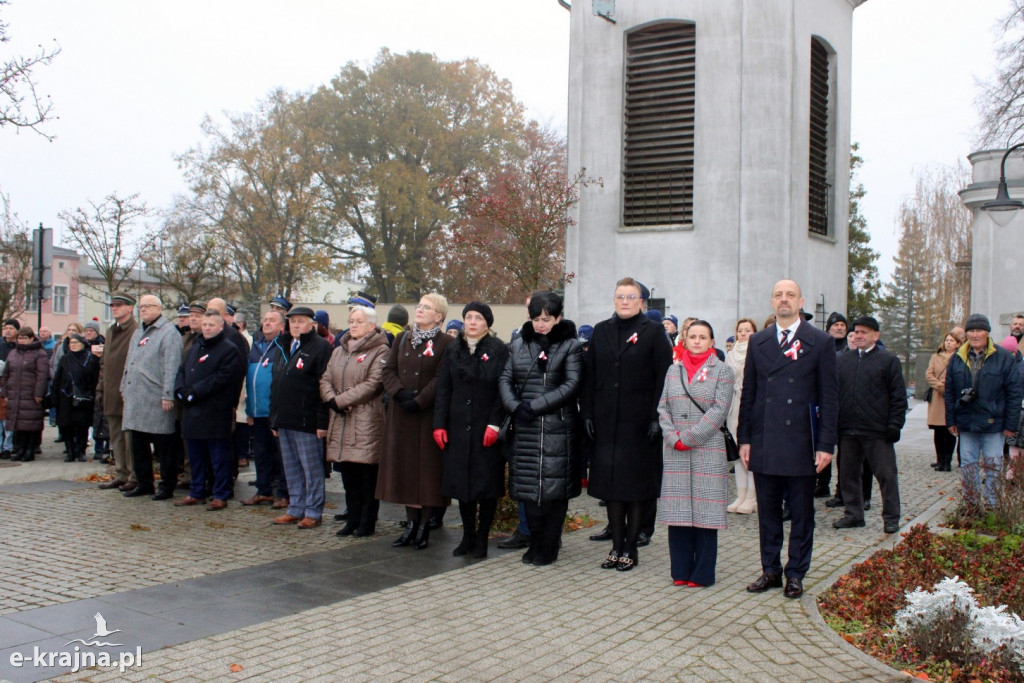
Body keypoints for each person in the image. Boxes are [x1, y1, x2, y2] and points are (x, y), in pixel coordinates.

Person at [737, 279, 838, 600]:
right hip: (765, 439)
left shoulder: (819, 341)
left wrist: (825, 444)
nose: (784, 299)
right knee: (767, 513)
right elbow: (750, 394)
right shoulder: (759, 341)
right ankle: (771, 570)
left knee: (801, 513)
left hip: (802, 442)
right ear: (771, 302)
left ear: (801, 302)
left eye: (790, 295)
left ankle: (796, 572)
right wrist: (745, 439)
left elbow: (830, 397)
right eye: (779, 295)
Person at [583, 277, 673, 571]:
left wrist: (656, 417)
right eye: (620, 296)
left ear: (640, 302)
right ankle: (615, 545)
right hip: (607, 422)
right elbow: (590, 374)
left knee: (635, 488)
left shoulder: (654, 331)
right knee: (611, 487)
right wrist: (588, 413)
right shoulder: (601, 330)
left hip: (640, 423)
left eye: (630, 296)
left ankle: (631, 548)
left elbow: (664, 377)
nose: (624, 301)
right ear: (614, 300)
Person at [499, 291, 583, 565]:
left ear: (558, 318)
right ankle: (534, 542)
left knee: (554, 494)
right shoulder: (517, 345)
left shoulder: (571, 346)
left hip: (558, 429)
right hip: (525, 429)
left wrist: (534, 406)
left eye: (546, 319)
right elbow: (506, 378)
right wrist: (515, 406)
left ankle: (548, 546)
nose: (540, 324)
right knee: (527, 491)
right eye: (536, 319)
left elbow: (571, 385)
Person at [658, 320, 733, 586]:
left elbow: (719, 410)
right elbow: (663, 407)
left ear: (712, 342)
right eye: (693, 336)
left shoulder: (723, 371)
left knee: (705, 514)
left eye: (703, 337)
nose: (698, 341)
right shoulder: (672, 370)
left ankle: (702, 574)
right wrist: (671, 436)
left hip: (707, 448)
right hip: (675, 449)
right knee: (678, 513)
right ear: (685, 340)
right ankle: (680, 571)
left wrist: (689, 438)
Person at [377, 293, 453, 549]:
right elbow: (388, 370)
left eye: (427, 307)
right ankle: (410, 524)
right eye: (419, 306)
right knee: (406, 472)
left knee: (426, 473)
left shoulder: (445, 343)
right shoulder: (402, 337)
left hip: (426, 414)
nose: (419, 310)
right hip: (401, 413)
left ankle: (424, 526)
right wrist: (399, 393)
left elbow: (442, 379)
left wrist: (419, 400)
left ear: (439, 316)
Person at [433, 302, 509, 558]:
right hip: (457, 428)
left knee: (485, 485)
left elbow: (504, 389)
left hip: (485, 428)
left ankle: (482, 538)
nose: (472, 322)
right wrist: (439, 424)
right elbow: (444, 389)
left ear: (488, 322)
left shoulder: (499, 350)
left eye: (478, 318)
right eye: (468, 317)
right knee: (463, 486)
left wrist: (494, 423)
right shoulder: (453, 349)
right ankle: (467, 536)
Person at [832, 316, 906, 534]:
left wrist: (894, 425)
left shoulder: (888, 360)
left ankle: (891, 517)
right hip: (848, 430)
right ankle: (853, 514)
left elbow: (898, 397)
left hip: (878, 431)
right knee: (848, 475)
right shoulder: (843, 361)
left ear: (876, 335)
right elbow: (834, 394)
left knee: (886, 476)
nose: (859, 335)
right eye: (856, 332)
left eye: (864, 332)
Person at [320, 305, 389, 537]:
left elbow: (373, 384)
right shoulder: (339, 350)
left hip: (366, 421)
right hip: (341, 420)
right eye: (351, 320)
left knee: (366, 475)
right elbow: (326, 378)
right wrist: (331, 399)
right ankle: (352, 518)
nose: (353, 325)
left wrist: (340, 400)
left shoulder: (380, 350)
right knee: (348, 473)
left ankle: (367, 521)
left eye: (359, 321)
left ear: (371, 325)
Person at [945, 313, 1022, 508]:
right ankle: (971, 505)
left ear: (987, 332)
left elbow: (1014, 393)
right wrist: (951, 420)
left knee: (993, 467)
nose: (974, 334)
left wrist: (1011, 424)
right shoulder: (957, 357)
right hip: (966, 421)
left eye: (978, 330)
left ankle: (992, 506)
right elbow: (950, 391)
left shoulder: (1003, 357)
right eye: (970, 330)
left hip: (994, 423)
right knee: (968, 465)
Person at [173, 311, 245, 510]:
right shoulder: (196, 346)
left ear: (221, 326)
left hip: (214, 412)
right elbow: (182, 370)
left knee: (218, 457)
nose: (206, 328)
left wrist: (194, 392)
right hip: (192, 411)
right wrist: (179, 390)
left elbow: (222, 378)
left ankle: (220, 494)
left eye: (211, 325)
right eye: (204, 324)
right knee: (195, 456)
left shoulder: (229, 349)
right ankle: (197, 491)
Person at [269, 306, 332, 528]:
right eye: (292, 321)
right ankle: (295, 508)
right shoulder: (283, 345)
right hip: (284, 418)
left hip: (307, 421)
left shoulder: (320, 347)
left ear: (312, 324)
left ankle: (313, 512)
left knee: (311, 469)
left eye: (300, 321)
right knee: (291, 468)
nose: (295, 325)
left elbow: (324, 386)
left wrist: (321, 421)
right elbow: (276, 384)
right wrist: (273, 418)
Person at [120, 295, 184, 499]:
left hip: (157, 399)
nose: (143, 310)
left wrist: (168, 394)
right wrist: (124, 387)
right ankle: (144, 482)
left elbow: (171, 366)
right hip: (135, 397)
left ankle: (166, 486)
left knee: (164, 446)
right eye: (141, 307)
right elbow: (129, 361)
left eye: (148, 306)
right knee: (138, 445)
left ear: (159, 308)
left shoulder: (168, 333)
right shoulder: (139, 331)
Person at [242, 309, 289, 509]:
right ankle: (263, 491)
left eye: (272, 320)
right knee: (261, 453)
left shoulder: (283, 347)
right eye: (265, 320)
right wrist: (250, 410)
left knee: (281, 455)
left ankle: (284, 493)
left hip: (275, 411)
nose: (267, 323)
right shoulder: (256, 346)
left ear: (281, 326)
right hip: (257, 410)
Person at [96, 292, 140, 490]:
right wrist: (101, 388)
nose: (114, 308)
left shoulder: (136, 331)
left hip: (129, 392)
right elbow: (105, 363)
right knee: (116, 435)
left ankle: (134, 474)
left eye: (119, 305)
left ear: (130, 308)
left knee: (130, 437)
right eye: (113, 305)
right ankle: (121, 472)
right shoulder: (111, 330)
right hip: (111, 391)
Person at [1, 327, 49, 462]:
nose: (21, 341)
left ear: (31, 338)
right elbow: (6, 374)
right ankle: (19, 449)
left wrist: (39, 393)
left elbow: (42, 375)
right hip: (14, 394)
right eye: (20, 338)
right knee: (18, 424)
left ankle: (29, 450)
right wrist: (4, 391)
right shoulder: (13, 353)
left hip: (31, 394)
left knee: (30, 424)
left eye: (24, 338)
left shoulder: (39, 353)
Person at [725, 317, 758, 514]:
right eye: (740, 330)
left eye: (748, 330)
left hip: (750, 403)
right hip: (734, 404)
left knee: (750, 451)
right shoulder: (730, 355)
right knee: (737, 453)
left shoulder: (758, 352)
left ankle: (752, 497)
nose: (744, 334)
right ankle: (741, 494)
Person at [52, 333, 100, 462]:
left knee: (82, 426)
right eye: (71, 343)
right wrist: (55, 395)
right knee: (67, 425)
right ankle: (70, 451)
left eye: (75, 342)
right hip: (66, 396)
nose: (73, 345)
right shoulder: (65, 359)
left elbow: (95, 379)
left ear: (82, 344)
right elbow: (57, 378)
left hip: (84, 398)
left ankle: (81, 451)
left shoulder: (91, 359)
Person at [926, 332, 959, 472]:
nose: (948, 343)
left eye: (952, 341)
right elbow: (929, 374)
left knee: (950, 430)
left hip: (951, 396)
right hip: (937, 397)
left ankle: (947, 461)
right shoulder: (935, 357)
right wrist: (940, 386)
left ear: (958, 343)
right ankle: (940, 460)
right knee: (938, 431)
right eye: (947, 340)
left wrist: (947, 387)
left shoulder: (959, 358)